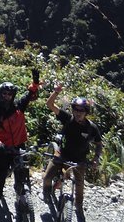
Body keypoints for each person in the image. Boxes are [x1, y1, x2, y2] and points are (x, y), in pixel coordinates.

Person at [0, 76, 40, 221]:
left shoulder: (18, 107)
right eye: (4, 94)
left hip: (20, 145)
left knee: (23, 173)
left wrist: (35, 83)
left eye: (10, 94)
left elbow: (29, 96)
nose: (7, 97)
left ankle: (22, 197)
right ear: (0, 94)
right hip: (3, 148)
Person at [42, 84, 102, 221]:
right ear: (73, 109)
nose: (78, 112)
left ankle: (79, 207)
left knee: (79, 185)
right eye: (75, 109)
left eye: (81, 110)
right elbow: (50, 105)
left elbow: (99, 144)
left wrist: (96, 158)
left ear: (86, 111)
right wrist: (56, 92)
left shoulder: (92, 128)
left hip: (80, 160)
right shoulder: (67, 119)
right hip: (61, 155)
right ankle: (46, 194)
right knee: (47, 178)